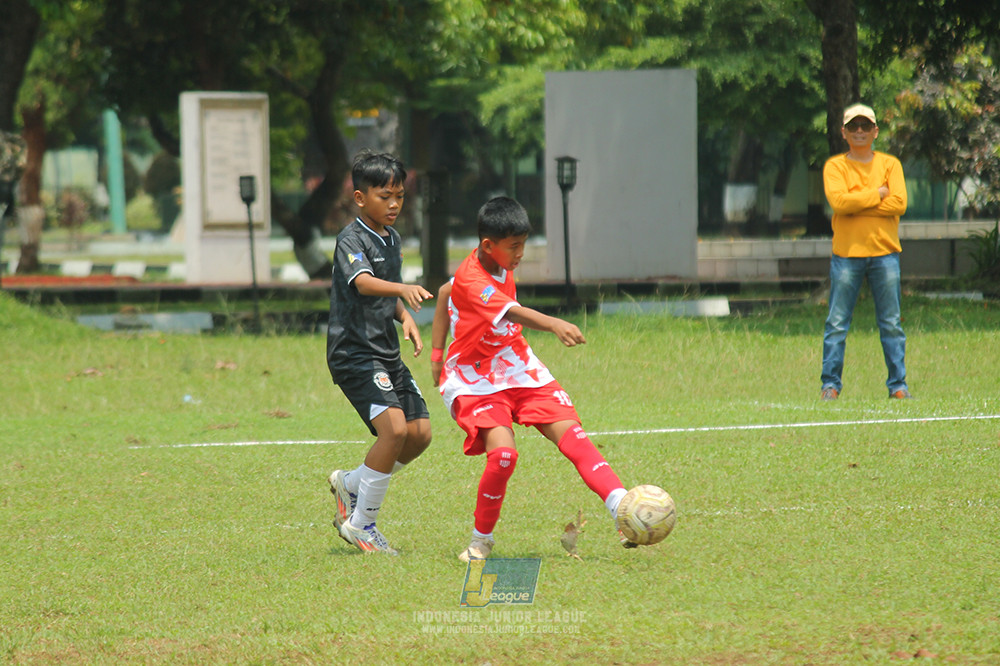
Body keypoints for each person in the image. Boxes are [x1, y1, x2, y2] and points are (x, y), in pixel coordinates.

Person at [432, 196, 634, 562]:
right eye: (515, 247)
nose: (521, 253)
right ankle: (481, 540)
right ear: (488, 245)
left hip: (517, 365)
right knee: (504, 455)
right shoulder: (472, 278)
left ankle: (622, 510)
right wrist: (555, 323)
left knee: (574, 437)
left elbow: (443, 292)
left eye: (524, 244)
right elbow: (511, 311)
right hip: (475, 378)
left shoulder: (497, 260)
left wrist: (433, 352)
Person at [326, 150, 434, 554]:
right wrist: (402, 290)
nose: (393, 205)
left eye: (399, 197)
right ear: (360, 198)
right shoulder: (350, 239)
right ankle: (362, 525)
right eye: (384, 196)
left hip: (385, 350)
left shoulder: (393, 238)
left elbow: (388, 291)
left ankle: (352, 483)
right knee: (395, 431)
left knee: (419, 434)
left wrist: (403, 316)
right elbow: (366, 283)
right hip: (354, 352)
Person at [820, 103, 911, 400]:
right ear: (843, 132)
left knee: (891, 323)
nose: (859, 131)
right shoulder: (835, 167)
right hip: (847, 255)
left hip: (885, 254)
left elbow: (899, 204)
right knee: (836, 322)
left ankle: (898, 386)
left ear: (875, 131)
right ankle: (830, 385)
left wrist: (858, 202)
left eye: (865, 126)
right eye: (853, 126)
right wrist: (877, 194)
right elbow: (840, 204)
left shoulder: (890, 165)